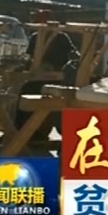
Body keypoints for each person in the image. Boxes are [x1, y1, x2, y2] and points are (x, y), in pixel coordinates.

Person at [15, 9, 79, 140]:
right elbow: (29, 57)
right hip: (38, 76)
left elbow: (73, 56)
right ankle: (21, 131)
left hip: (56, 78)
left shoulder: (61, 37)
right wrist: (26, 65)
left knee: (31, 92)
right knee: (17, 92)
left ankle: (33, 133)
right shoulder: (35, 37)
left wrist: (58, 67)